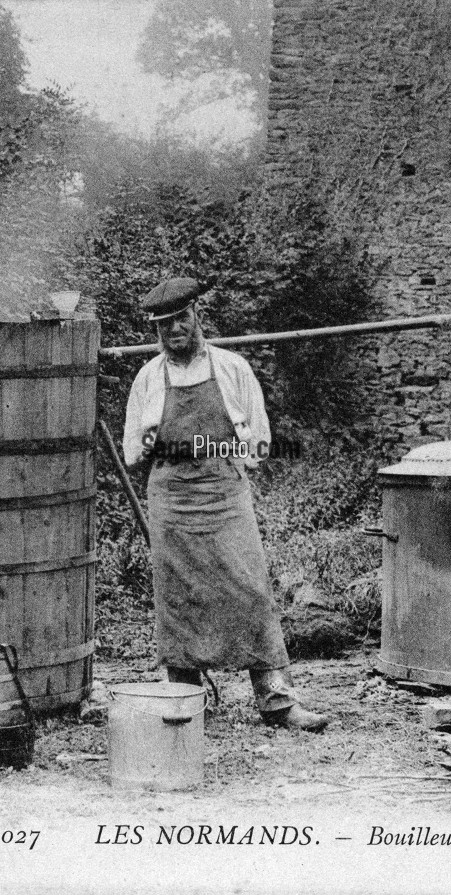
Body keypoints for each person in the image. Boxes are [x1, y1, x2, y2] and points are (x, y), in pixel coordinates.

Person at [122, 278, 330, 732]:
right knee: (179, 600)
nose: (174, 330)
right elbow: (133, 453)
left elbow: (259, 439)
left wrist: (226, 460)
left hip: (225, 496)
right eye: (163, 324)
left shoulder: (232, 368)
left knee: (252, 592)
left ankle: (278, 702)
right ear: (156, 331)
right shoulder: (148, 379)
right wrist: (156, 440)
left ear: (196, 315)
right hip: (172, 502)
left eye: (180, 319)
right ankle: (186, 701)